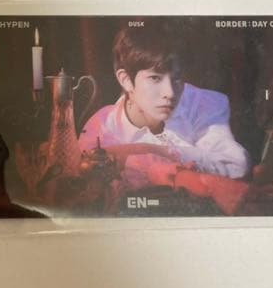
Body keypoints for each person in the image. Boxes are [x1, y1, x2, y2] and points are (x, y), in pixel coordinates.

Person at [78, 26, 251, 180]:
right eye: (155, 78)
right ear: (126, 80)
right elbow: (84, 172)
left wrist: (152, 151)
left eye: (177, 79)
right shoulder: (103, 126)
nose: (170, 93)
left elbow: (235, 165)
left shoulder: (201, 103)